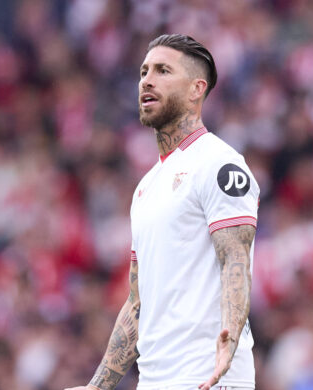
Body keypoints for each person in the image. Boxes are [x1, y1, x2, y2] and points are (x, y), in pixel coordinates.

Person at [66, 34, 260, 390]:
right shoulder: (146, 187)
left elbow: (236, 260)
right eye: (143, 72)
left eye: (162, 70)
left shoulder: (220, 164)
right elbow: (138, 302)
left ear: (195, 89)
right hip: (156, 379)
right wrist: (98, 386)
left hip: (207, 376)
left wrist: (228, 345)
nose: (147, 80)